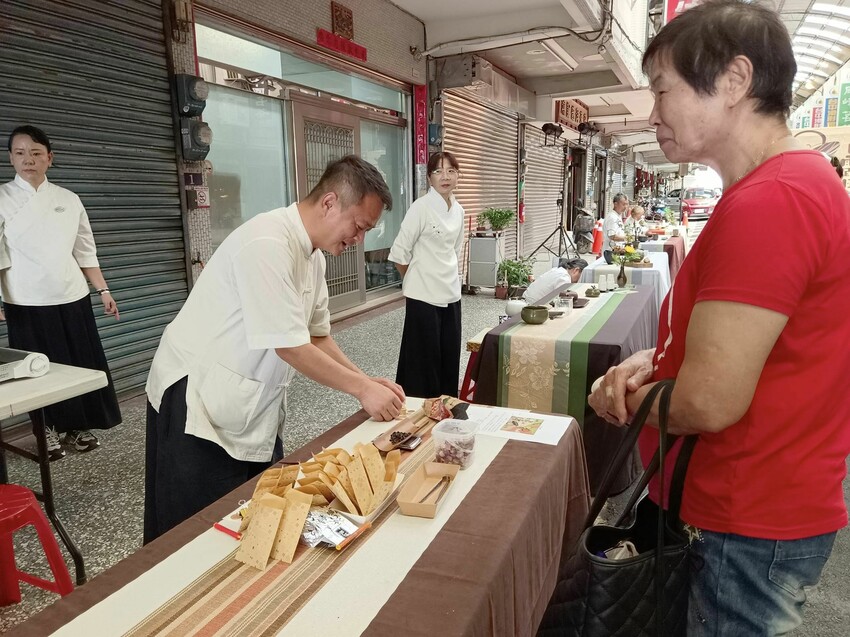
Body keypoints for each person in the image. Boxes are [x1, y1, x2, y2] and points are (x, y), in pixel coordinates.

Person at [587, 1, 850, 634]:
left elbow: (710, 399)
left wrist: (621, 398)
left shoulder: (772, 200)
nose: (653, 114)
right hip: (753, 508)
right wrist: (657, 363)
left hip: (746, 518)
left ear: (733, 81)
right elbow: (746, 351)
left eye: (663, 91)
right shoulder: (782, 188)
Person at [143, 156, 405, 543]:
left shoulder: (312, 255)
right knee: (191, 530)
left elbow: (317, 336)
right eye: (359, 226)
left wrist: (365, 380)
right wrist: (361, 390)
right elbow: (290, 347)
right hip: (196, 397)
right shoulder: (267, 242)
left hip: (247, 398)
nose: (359, 240)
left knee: (251, 513)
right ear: (330, 202)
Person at [0, 125, 121, 461]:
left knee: (77, 365)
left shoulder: (69, 199)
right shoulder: (2, 199)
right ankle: (47, 433)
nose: (29, 159)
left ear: (49, 158)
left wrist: (103, 290)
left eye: (36, 153)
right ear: (11, 158)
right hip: (26, 302)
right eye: (20, 152)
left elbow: (85, 251)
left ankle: (76, 428)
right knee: (38, 370)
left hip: (72, 298)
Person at [389, 152, 464, 399]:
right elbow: (400, 252)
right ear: (429, 178)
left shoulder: (459, 210)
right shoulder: (420, 207)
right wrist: (414, 279)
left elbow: (455, 250)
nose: (445, 177)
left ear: (458, 176)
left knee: (449, 356)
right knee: (423, 360)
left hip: (451, 293)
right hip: (422, 296)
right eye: (438, 171)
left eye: (451, 171)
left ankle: (446, 409)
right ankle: (418, 412)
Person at [522, 257, 588, 305]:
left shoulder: (557, 270)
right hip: (532, 307)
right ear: (576, 270)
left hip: (524, 301)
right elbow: (561, 302)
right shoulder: (565, 278)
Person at [602, 193, 627, 263]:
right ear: (615, 204)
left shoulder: (618, 216)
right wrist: (627, 238)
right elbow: (612, 236)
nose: (625, 207)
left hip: (618, 250)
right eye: (623, 204)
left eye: (626, 204)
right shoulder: (612, 218)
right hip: (611, 252)